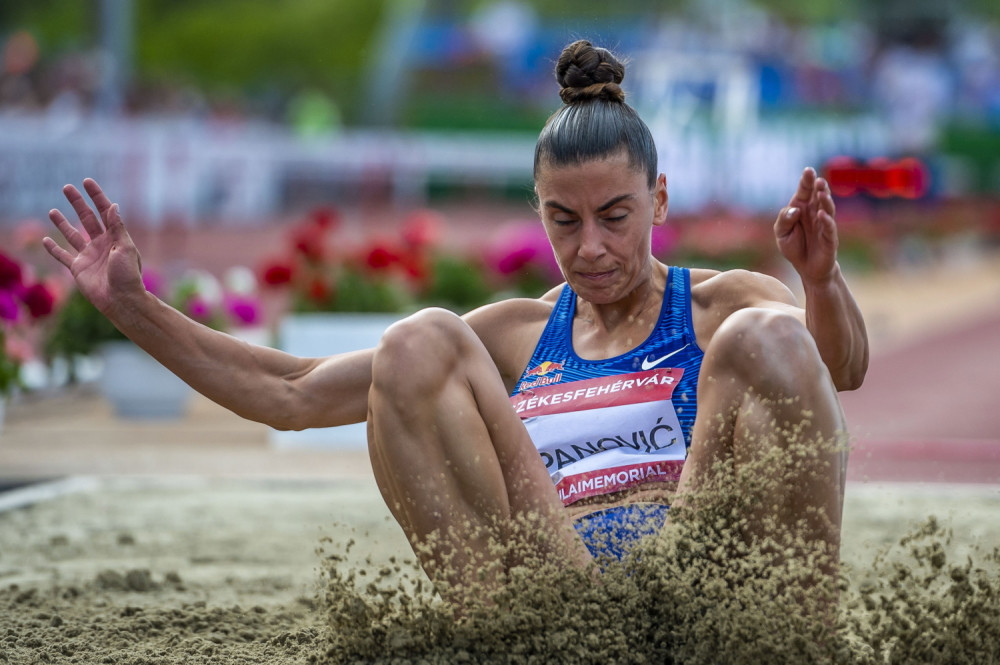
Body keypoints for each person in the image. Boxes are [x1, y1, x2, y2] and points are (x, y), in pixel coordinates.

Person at [43, 40, 867, 605]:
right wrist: (131, 308)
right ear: (539, 213)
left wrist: (820, 283)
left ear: (658, 198)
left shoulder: (721, 303)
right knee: (420, 340)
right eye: (563, 219)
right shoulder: (515, 334)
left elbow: (836, 370)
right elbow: (289, 392)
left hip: (699, 587)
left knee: (767, 336)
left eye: (616, 216)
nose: (591, 248)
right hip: (561, 601)